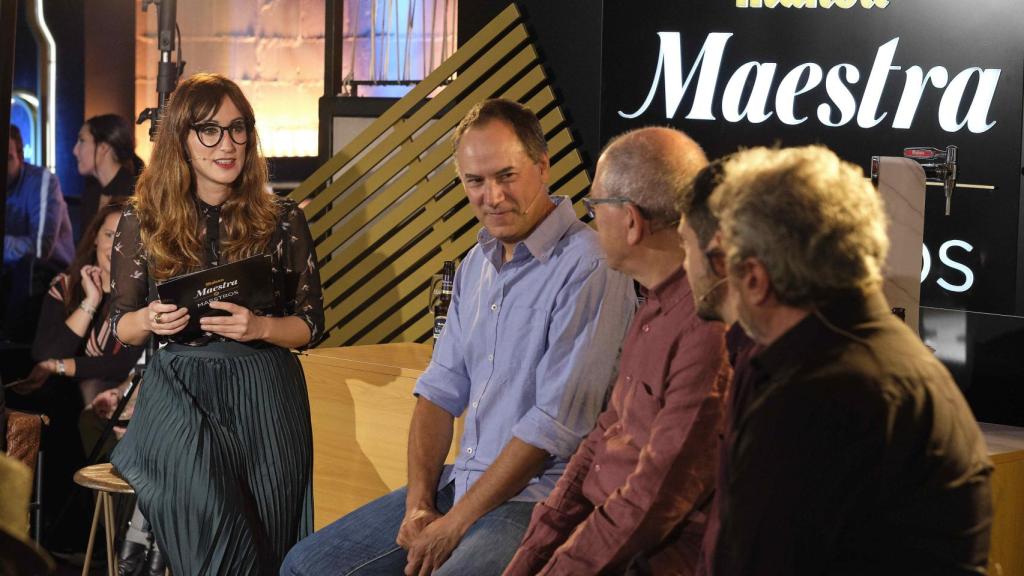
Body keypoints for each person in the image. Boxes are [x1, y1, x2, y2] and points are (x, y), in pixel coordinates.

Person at [281, 99, 635, 576]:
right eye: (475, 181)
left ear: (543, 166)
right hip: (461, 484)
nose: (492, 196)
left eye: (506, 176)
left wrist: (454, 525)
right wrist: (419, 505)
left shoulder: (590, 265)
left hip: (539, 497)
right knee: (306, 566)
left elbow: (553, 427)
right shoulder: (474, 265)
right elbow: (437, 392)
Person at [709, 146, 993, 575]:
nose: (714, 279)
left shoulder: (819, 398)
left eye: (718, 260)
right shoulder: (875, 359)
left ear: (754, 277)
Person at [107, 72, 324, 575]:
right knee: (212, 516)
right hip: (180, 386)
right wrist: (151, 318)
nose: (227, 144)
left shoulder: (283, 218)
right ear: (181, 141)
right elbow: (121, 325)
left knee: (270, 531)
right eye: (209, 131)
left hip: (266, 387)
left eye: (237, 128)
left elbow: (311, 324)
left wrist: (261, 328)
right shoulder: (144, 220)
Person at [504, 127, 730, 575]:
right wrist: (533, 553)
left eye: (595, 207)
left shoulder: (709, 326)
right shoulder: (651, 303)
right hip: (601, 538)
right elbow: (601, 440)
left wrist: (557, 568)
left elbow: (655, 499)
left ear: (630, 220)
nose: (591, 221)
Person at [676, 159, 758, 576]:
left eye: (685, 247)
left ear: (720, 255)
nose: (683, 266)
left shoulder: (790, 383)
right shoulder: (754, 355)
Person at [3, 124, 75, 341]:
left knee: (28, 268)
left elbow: (41, 248)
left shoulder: (42, 181)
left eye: (7, 158)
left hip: (49, 273)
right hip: (11, 275)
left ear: (21, 156)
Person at [73, 114, 144, 229]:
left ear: (103, 147)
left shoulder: (136, 193)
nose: (75, 151)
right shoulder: (91, 195)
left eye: (82, 140)